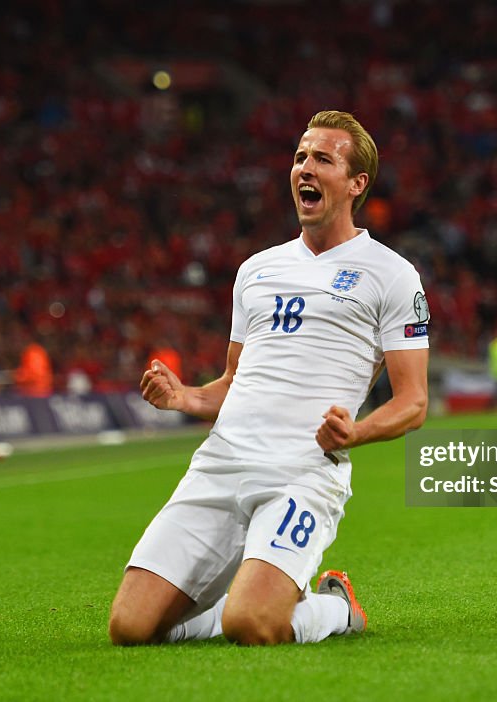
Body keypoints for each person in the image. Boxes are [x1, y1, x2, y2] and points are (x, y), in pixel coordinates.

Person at [109, 110, 430, 646]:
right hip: (222, 463)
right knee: (130, 627)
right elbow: (234, 379)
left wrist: (357, 432)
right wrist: (183, 396)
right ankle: (242, 599)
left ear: (356, 184)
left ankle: (333, 605)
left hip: (300, 475)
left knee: (253, 625)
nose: (305, 167)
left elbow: (413, 402)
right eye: (300, 156)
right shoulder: (256, 270)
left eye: (322, 159)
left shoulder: (391, 274)